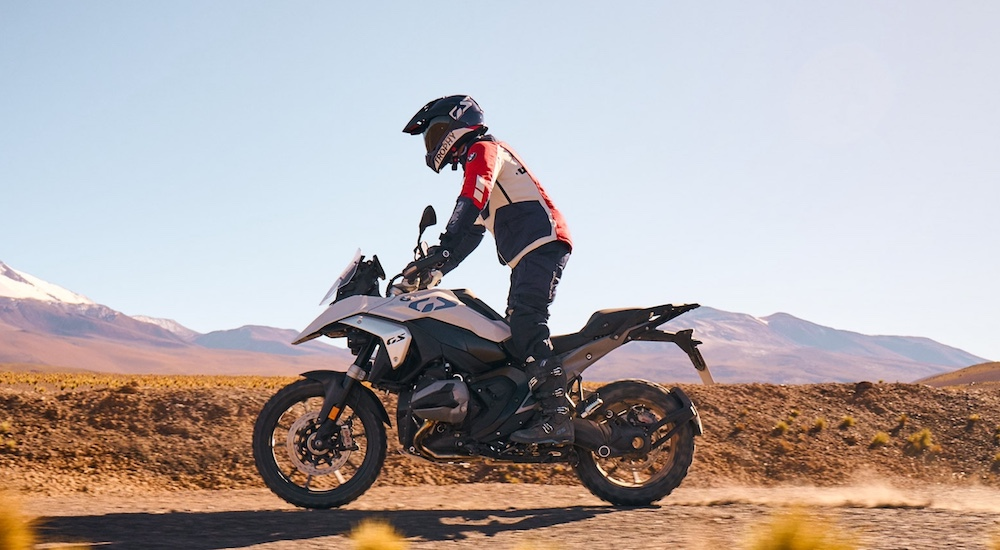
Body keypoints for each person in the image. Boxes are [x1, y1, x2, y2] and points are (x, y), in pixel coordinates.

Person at [402, 95, 574, 445]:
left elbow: (472, 197)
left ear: (455, 124)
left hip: (542, 243)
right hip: (531, 250)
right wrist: (436, 267)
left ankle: (557, 415)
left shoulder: (485, 150)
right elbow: (471, 235)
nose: (432, 145)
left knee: (526, 321)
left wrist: (444, 243)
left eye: (435, 134)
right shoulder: (478, 162)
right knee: (513, 326)